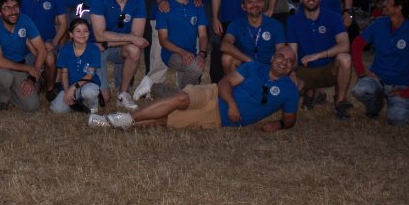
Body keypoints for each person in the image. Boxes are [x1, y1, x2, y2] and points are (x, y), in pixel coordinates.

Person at [89, 46, 299, 132]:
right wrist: (232, 104)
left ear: (292, 66)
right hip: (214, 94)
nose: (284, 62)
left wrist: (279, 124)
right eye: (281, 56)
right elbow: (225, 83)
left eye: (290, 60)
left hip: (217, 118)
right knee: (181, 98)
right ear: (273, 57)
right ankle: (123, 118)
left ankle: (113, 125)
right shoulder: (254, 67)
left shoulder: (290, 90)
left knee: (164, 121)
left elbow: (290, 119)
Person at [351, 0, 409, 126]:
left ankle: (404, 105)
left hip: (401, 84)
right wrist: (361, 72)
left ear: (399, 8)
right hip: (378, 79)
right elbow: (357, 44)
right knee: (360, 90)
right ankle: (375, 106)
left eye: (388, 1)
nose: (384, 4)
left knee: (396, 120)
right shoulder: (380, 24)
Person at [134, 0, 209, 101]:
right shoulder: (165, 7)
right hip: (171, 54)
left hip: (192, 53)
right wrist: (182, 52)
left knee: (189, 96)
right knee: (196, 69)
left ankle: (153, 87)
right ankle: (182, 96)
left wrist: (202, 54)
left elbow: (203, 35)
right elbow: (163, 40)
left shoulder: (197, 7)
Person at [287, 0, 353, 120]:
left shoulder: (333, 17)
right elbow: (293, 54)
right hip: (305, 71)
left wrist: (318, 55)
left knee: (345, 58)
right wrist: (291, 73)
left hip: (329, 69)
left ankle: (340, 101)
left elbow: (345, 45)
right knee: (287, 89)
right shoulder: (293, 21)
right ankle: (310, 93)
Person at [90, 0, 148, 109]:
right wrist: (131, 38)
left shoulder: (139, 1)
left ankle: (123, 94)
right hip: (97, 49)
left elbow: (137, 37)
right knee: (104, 99)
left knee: (134, 50)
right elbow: (99, 35)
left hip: (111, 46)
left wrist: (107, 42)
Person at [0, 0, 47, 112]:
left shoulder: (25, 20)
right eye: (7, 8)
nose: (13, 12)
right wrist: (29, 69)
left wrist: (31, 78)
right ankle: (2, 98)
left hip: (18, 65)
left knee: (32, 106)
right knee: (5, 77)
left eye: (15, 7)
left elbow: (41, 49)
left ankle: (12, 89)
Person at [20, 0, 67, 98]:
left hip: (48, 42)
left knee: (50, 58)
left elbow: (63, 23)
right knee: (29, 96)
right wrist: (36, 52)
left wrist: (53, 43)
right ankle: (40, 78)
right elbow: (19, 28)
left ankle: (50, 89)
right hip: (26, 45)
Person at [220, 0, 286, 71]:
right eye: (250, 2)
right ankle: (234, 79)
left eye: (258, 1)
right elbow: (225, 45)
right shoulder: (236, 24)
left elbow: (281, 52)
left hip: (268, 68)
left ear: (262, 4)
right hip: (246, 65)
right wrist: (250, 61)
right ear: (243, 6)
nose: (255, 4)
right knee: (227, 58)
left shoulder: (276, 25)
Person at [50, 18, 102, 114]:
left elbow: (89, 75)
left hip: (87, 84)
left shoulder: (94, 49)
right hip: (69, 85)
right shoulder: (65, 50)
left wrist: (73, 88)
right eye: (78, 31)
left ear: (89, 33)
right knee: (57, 109)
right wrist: (67, 92)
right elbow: (64, 75)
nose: (82, 34)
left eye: (85, 31)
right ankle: (76, 102)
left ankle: (91, 104)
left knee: (89, 92)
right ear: (71, 34)